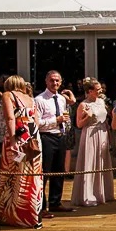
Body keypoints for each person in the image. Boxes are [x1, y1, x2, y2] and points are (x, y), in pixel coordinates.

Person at [0, 75, 43, 228]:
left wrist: (12, 140)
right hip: (33, 138)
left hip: (18, 136)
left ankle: (12, 214)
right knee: (32, 175)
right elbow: (36, 120)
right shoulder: (30, 98)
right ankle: (32, 215)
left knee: (12, 173)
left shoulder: (8, 95)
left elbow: (10, 118)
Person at [35, 70, 76, 216]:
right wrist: (55, 121)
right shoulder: (39, 100)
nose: (55, 83)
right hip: (47, 137)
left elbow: (67, 111)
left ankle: (55, 202)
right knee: (45, 172)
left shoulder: (61, 98)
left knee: (59, 172)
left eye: (57, 81)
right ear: (46, 81)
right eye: (52, 80)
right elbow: (37, 123)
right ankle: (41, 207)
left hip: (60, 136)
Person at [72, 78, 114, 207]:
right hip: (90, 135)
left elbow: (105, 121)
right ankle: (88, 195)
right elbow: (79, 124)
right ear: (90, 91)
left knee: (102, 163)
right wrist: (87, 117)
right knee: (89, 163)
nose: (100, 91)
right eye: (97, 90)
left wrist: (110, 137)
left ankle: (103, 193)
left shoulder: (101, 102)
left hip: (102, 134)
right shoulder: (83, 105)